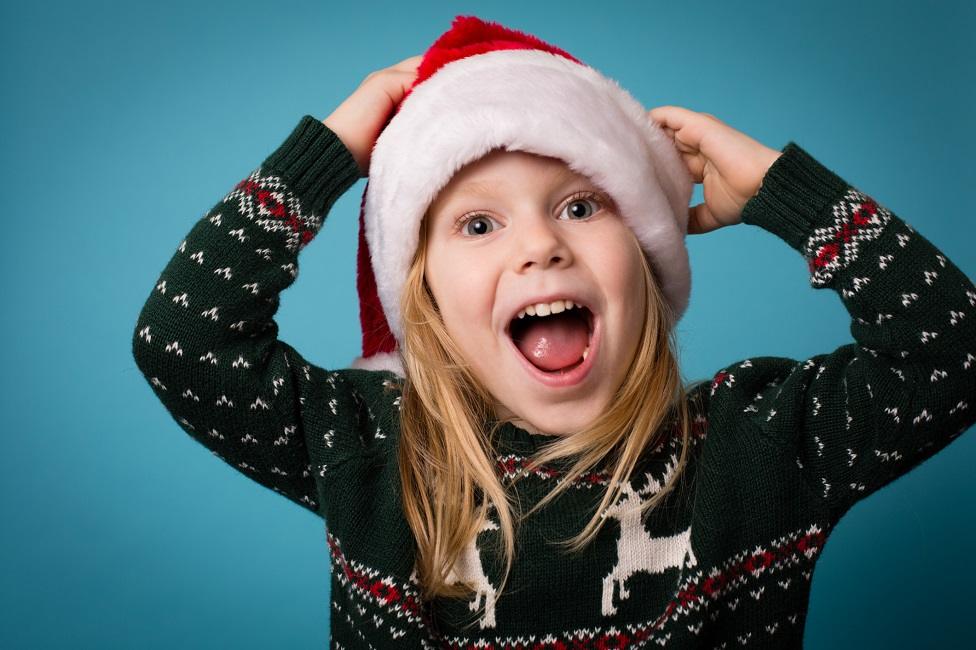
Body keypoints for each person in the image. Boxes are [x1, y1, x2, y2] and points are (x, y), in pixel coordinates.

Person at [131, 14, 975, 648]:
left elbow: (954, 351)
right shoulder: (369, 446)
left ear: (646, 258)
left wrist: (787, 192)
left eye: (581, 204)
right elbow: (184, 342)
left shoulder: (762, 444)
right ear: (420, 299)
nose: (540, 245)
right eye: (476, 225)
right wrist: (334, 153)